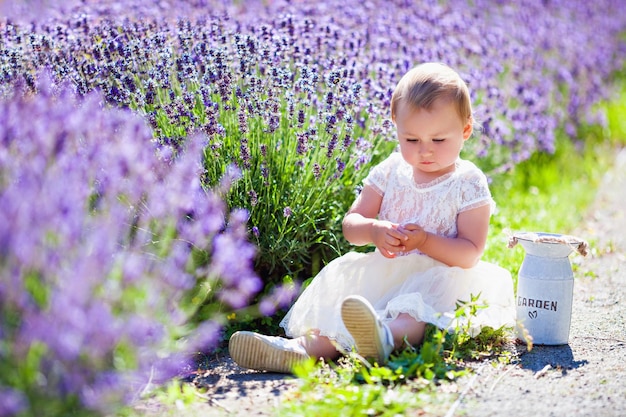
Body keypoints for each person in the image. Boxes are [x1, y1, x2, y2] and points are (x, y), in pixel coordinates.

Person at [228, 62, 516, 373]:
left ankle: (384, 338)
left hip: (442, 278)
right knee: (345, 309)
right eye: (412, 140)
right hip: (386, 272)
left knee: (412, 313)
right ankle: (299, 350)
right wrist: (375, 231)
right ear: (395, 125)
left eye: (438, 140)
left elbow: (470, 253)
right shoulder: (390, 170)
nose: (425, 151)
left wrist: (425, 241)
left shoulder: (467, 181)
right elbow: (352, 226)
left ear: (466, 131)